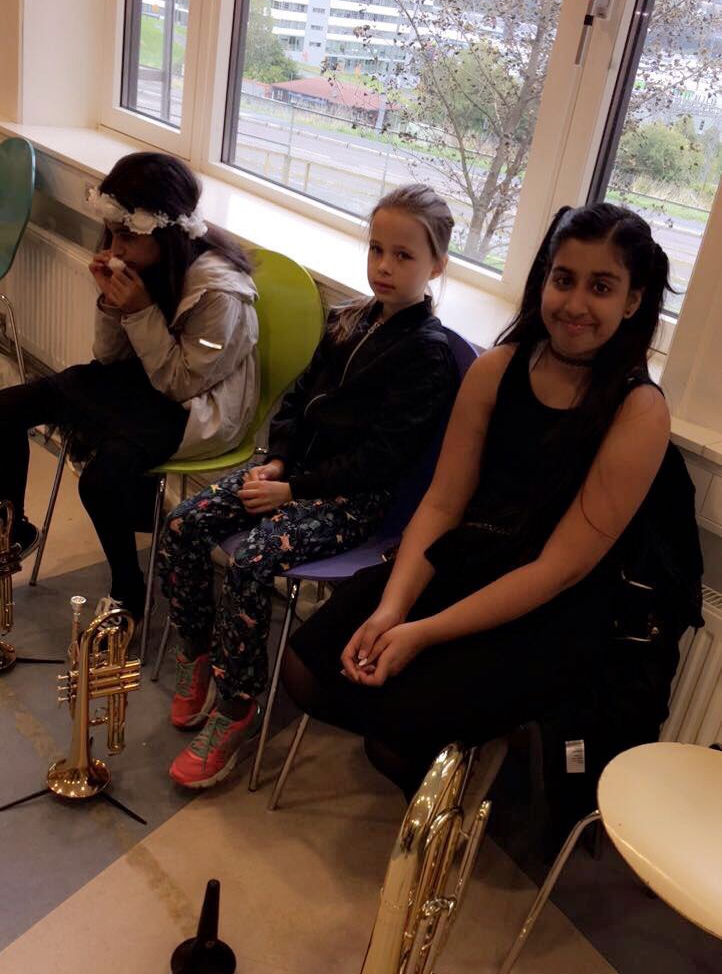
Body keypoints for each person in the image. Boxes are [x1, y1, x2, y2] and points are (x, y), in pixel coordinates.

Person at [283, 203, 704, 796]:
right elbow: (442, 504)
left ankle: (478, 783)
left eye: (601, 287)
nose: (575, 304)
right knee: (307, 671)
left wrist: (424, 632)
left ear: (632, 301)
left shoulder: (639, 410)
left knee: (395, 741)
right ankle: (459, 762)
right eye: (563, 279)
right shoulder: (497, 368)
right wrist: (393, 609)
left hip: (549, 605)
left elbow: (560, 569)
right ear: (543, 280)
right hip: (472, 558)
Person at [158, 183, 460, 789]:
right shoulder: (348, 317)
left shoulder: (427, 355)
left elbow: (380, 460)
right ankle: (199, 650)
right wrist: (276, 462)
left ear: (437, 265)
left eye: (403, 255)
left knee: (251, 563)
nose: (384, 266)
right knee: (185, 523)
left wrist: (292, 490)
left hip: (354, 501)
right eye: (377, 249)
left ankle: (237, 706)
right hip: (292, 477)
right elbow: (297, 401)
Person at [0, 152, 259, 616]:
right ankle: (12, 530)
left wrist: (139, 311)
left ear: (164, 231)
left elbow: (181, 384)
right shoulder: (145, 262)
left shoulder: (220, 292)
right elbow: (109, 358)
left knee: (101, 481)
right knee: (6, 408)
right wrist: (110, 303)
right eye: (112, 233)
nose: (115, 249)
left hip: (194, 407)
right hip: (143, 379)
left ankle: (129, 589)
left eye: (126, 236)